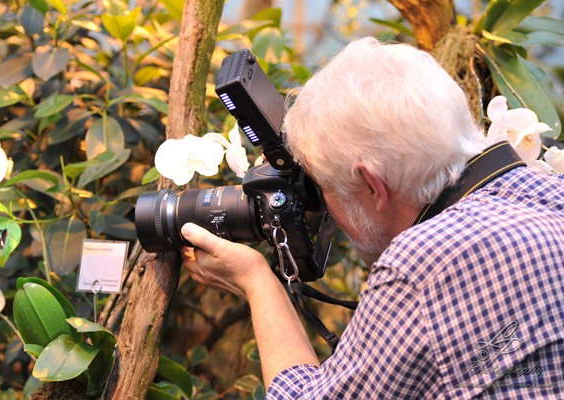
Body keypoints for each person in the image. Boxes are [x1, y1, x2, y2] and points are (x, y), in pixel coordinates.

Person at [180, 37, 564, 399]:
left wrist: (256, 279)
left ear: (372, 185)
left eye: (323, 187)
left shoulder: (423, 265)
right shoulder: (551, 192)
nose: (324, 206)